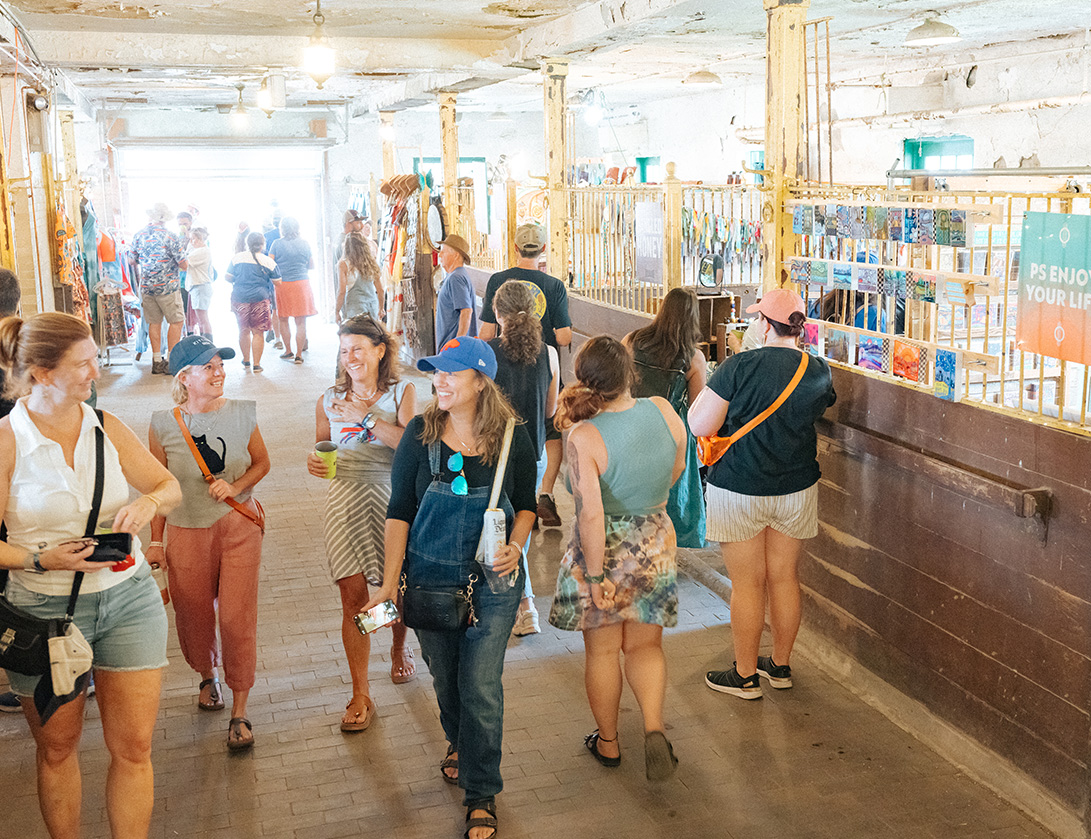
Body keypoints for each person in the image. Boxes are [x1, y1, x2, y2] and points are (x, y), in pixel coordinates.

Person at [0, 312, 181, 837]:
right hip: (44, 614)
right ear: (42, 373)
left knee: (135, 748)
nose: (96, 373)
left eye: (95, 360)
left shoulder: (105, 425)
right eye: (83, 364)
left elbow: (168, 486)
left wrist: (147, 504)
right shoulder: (8, 441)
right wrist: (40, 560)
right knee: (58, 750)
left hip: (130, 601)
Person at [363, 337, 537, 839]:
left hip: (494, 580)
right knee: (445, 676)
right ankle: (460, 741)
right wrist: (389, 584)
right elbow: (400, 510)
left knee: (480, 683)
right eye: (435, 371)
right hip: (430, 578)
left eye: (451, 373)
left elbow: (526, 504)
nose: (439, 380)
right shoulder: (420, 435)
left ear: (480, 381)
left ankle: (481, 793)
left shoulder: (512, 436)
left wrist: (517, 545)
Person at [548, 336, 686, 782]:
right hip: (655, 539)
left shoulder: (583, 436)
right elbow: (678, 469)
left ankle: (608, 742)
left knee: (604, 650)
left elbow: (590, 512)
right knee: (645, 647)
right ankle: (653, 728)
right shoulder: (663, 410)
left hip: (604, 548)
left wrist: (593, 576)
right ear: (630, 374)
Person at [688, 288, 836, 699]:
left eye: (758, 318)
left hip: (740, 487)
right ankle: (781, 666)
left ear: (767, 325)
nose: (755, 324)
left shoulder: (738, 366)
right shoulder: (818, 369)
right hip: (796, 487)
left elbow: (700, 426)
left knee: (748, 584)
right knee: (785, 578)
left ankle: (745, 675)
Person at [148, 335, 270, 749]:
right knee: (194, 615)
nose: (219, 373)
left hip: (239, 527)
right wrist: (155, 542)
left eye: (221, 365)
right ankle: (207, 675)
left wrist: (235, 487)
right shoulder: (162, 424)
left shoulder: (242, 413)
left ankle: (240, 708)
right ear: (185, 377)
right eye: (209, 367)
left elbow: (262, 462)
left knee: (236, 618)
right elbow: (159, 488)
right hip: (185, 530)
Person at [306, 315, 418, 732]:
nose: (349, 358)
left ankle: (398, 646)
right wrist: (316, 462)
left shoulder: (402, 392)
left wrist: (366, 417)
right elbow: (322, 446)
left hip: (391, 497)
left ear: (379, 350)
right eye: (343, 350)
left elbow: (410, 447)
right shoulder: (328, 398)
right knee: (352, 598)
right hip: (344, 500)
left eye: (357, 348)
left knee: (396, 588)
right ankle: (360, 692)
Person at [479, 222, 572, 530]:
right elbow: (564, 337)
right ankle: (543, 494)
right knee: (550, 427)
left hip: (493, 446)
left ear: (516, 247)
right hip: (540, 377)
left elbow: (486, 333)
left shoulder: (497, 281)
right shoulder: (554, 287)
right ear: (544, 248)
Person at [486, 280, 559, 637]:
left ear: (496, 313)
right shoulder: (550, 353)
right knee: (520, 530)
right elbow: (550, 410)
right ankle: (521, 604)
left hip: (494, 455)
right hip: (535, 451)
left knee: (504, 529)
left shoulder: (486, 354)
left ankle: (523, 604)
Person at [624, 287, 707, 548]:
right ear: (693, 317)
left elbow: (619, 381)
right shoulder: (693, 358)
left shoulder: (632, 340)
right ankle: (662, 545)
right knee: (668, 493)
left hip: (630, 423)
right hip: (669, 432)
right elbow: (696, 407)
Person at [132, 202, 187, 374]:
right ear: (165, 218)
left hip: (147, 287)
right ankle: (171, 360)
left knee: (153, 323)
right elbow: (183, 264)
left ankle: (156, 360)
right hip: (168, 287)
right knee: (176, 322)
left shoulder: (139, 235)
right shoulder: (170, 236)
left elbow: (131, 260)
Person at [226, 232, 281, 372]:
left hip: (240, 297)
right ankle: (257, 364)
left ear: (247, 243)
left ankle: (246, 360)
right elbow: (278, 281)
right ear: (263, 245)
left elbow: (227, 277)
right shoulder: (267, 261)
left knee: (243, 330)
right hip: (260, 298)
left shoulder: (237, 258)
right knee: (258, 332)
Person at [269, 217, 318, 362]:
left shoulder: (276, 244)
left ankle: (288, 350)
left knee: (283, 319)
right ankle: (299, 355)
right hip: (302, 284)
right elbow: (311, 265)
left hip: (283, 285)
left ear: (282, 229)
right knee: (301, 322)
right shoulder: (304, 243)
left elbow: (270, 264)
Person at [434, 233, 476, 350]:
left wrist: (458, 344)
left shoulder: (456, 278)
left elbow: (466, 311)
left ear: (456, 255)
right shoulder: (455, 276)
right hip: (449, 346)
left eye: (443, 251)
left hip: (453, 349)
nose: (439, 254)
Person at [335, 232, 384, 323]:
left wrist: (337, 311)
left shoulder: (344, 264)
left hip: (355, 310)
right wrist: (381, 308)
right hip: (372, 308)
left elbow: (341, 291)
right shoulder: (371, 263)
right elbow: (380, 289)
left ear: (347, 247)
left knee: (357, 332)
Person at [186, 227, 215, 338]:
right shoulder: (200, 251)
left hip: (200, 286)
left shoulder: (201, 252)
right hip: (199, 286)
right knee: (201, 319)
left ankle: (208, 342)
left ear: (199, 239)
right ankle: (205, 340)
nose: (191, 242)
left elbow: (184, 261)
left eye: (193, 239)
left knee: (203, 319)